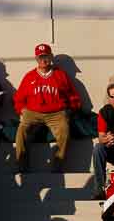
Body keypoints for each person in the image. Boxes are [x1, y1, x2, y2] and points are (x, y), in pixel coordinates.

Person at [13, 43, 80, 173]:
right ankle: (22, 166)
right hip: (32, 112)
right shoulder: (29, 76)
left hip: (56, 113)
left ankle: (57, 165)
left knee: (64, 131)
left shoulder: (60, 75)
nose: (43, 60)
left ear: (51, 57)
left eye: (46, 56)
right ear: (36, 59)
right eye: (40, 57)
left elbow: (73, 96)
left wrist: (70, 110)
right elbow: (18, 98)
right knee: (21, 132)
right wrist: (21, 110)